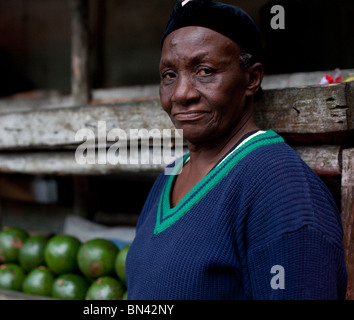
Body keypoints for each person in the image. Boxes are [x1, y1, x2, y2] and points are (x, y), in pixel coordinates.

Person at [125, 0, 347, 300]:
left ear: (251, 79)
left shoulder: (282, 192)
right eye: (169, 75)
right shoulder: (170, 174)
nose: (181, 93)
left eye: (204, 71)